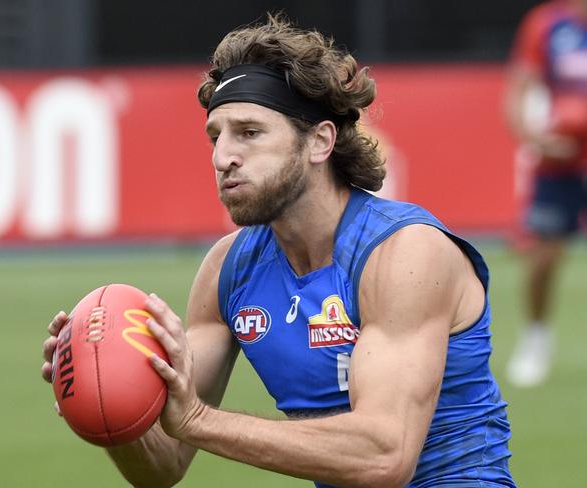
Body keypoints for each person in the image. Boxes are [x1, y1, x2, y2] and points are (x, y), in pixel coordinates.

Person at [42, 14, 515, 488]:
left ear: (320, 142)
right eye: (216, 135)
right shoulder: (228, 270)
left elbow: (384, 456)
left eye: (249, 132)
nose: (222, 156)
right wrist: (104, 401)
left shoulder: (405, 253)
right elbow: (163, 466)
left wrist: (199, 421)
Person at [504, 0, 587, 388]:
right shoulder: (547, 24)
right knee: (543, 256)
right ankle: (536, 338)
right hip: (560, 161)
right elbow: (520, 86)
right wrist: (533, 136)